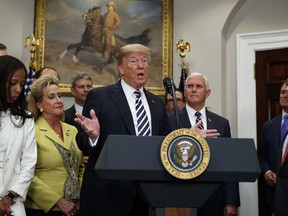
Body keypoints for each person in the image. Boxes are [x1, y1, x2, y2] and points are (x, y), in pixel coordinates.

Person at [75, 44, 169, 216]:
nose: (141, 65)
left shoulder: (157, 104)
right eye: (134, 61)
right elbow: (82, 143)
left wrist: (186, 137)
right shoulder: (100, 96)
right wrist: (93, 136)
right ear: (121, 69)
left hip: (145, 196)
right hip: (106, 195)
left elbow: (164, 144)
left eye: (144, 61)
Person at [168, 72, 240, 216]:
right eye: (190, 86)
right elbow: (164, 155)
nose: (194, 89)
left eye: (198, 86)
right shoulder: (170, 120)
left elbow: (229, 163)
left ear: (207, 92)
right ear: (185, 91)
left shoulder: (221, 123)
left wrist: (231, 200)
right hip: (180, 194)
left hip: (214, 196)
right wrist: (188, 136)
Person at [25, 74, 85, 216]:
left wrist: (82, 195)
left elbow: (81, 168)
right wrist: (58, 201)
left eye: (59, 96)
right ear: (39, 104)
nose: (59, 101)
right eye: (51, 97)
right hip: (42, 209)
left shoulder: (73, 129)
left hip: (75, 209)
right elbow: (26, 173)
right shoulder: (32, 131)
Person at [0, 55, 37, 216]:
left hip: (12, 202)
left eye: (22, 84)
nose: (18, 89)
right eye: (13, 83)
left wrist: (9, 196)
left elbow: (29, 163)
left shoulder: (25, 118)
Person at [259, 79, 288, 216]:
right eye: (283, 92)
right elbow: (262, 157)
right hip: (275, 196)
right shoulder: (268, 126)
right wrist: (267, 172)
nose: (285, 95)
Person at [65, 72, 93, 165]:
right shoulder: (65, 116)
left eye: (89, 86)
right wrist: (78, 158)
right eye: (81, 87)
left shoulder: (101, 114)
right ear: (72, 90)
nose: (86, 90)